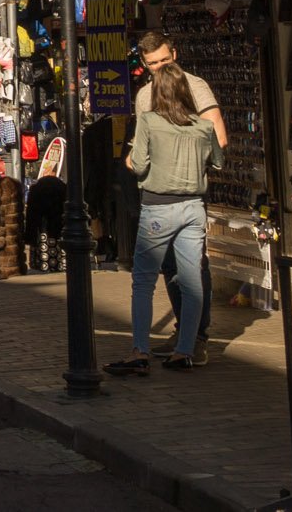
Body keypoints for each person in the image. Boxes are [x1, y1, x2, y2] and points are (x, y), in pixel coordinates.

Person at [107, 65, 222, 376]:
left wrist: (133, 161)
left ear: (157, 92)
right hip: (194, 207)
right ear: (185, 91)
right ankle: (185, 350)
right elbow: (218, 161)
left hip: (159, 207)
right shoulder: (202, 126)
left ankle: (139, 352)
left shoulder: (149, 122)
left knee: (143, 281)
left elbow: (139, 165)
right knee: (192, 281)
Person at [133, 32, 227, 363]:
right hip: (157, 194)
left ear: (174, 52)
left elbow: (217, 134)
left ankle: (197, 337)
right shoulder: (145, 96)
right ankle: (184, 337)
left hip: (184, 191)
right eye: (152, 63)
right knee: (170, 267)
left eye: (164, 60)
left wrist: (181, 163)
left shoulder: (194, 86)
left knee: (190, 267)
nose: (159, 68)